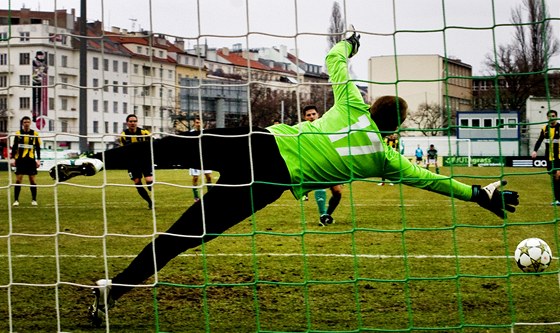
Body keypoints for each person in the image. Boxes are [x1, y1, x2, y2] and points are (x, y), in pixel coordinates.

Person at [51, 33, 519, 327]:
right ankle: (116, 288)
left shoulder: (350, 106)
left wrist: (349, 46)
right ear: (395, 128)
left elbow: (335, 62)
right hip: (268, 182)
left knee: (175, 147)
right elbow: (432, 183)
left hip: (260, 142)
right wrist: (480, 193)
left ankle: (95, 163)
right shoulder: (387, 161)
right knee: (183, 237)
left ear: (369, 105)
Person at [301, 105, 343, 226]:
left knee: (337, 192)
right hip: (314, 163)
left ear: (318, 114)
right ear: (304, 117)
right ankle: (323, 214)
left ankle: (326, 215)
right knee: (320, 186)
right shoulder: (302, 130)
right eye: (308, 115)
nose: (311, 117)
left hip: (330, 163)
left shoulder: (326, 127)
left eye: (313, 114)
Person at [119, 114, 153, 209]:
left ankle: (150, 188)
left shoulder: (144, 132)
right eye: (131, 121)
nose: (133, 123)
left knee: (149, 181)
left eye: (134, 121)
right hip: (132, 162)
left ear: (137, 122)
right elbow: (123, 149)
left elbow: (152, 144)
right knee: (137, 182)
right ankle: (150, 202)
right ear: (127, 123)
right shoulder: (123, 135)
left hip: (144, 160)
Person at [10, 116, 41, 206]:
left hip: (31, 160)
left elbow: (38, 148)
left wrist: (38, 159)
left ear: (30, 123)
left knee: (32, 180)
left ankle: (34, 200)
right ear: (22, 123)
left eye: (28, 122)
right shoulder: (18, 133)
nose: (26, 124)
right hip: (20, 160)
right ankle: (16, 200)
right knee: (18, 180)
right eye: (25, 122)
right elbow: (15, 146)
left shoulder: (34, 133)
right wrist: (12, 158)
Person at [531, 109, 560, 205]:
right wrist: (535, 150)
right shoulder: (544, 129)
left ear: (556, 117)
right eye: (550, 116)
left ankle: (558, 199)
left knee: (558, 176)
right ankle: (556, 199)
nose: (552, 118)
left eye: (553, 116)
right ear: (547, 118)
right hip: (549, 157)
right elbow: (539, 140)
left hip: (559, 157)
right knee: (553, 178)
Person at [189, 117, 213, 202]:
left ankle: (210, 195)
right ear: (194, 123)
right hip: (195, 159)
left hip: (205, 158)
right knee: (195, 177)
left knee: (209, 177)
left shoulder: (205, 133)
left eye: (199, 122)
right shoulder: (191, 133)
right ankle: (196, 197)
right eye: (197, 122)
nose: (198, 124)